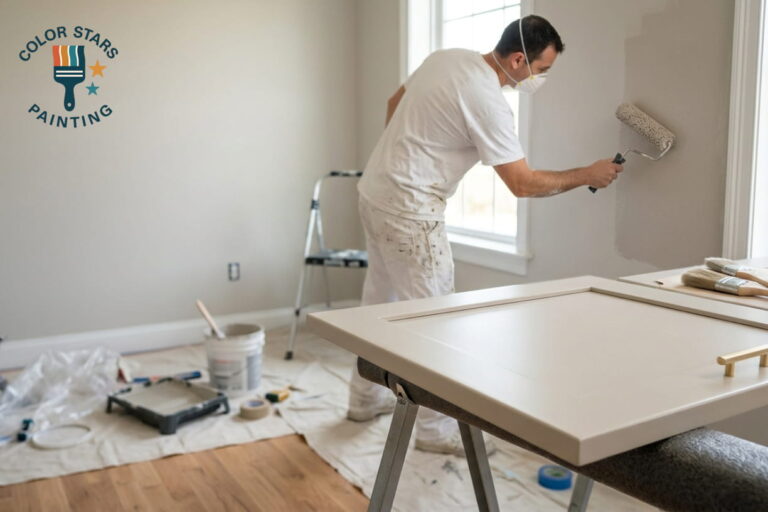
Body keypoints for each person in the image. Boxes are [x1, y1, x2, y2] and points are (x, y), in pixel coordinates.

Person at [347, 15, 623, 455]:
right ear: (518, 60)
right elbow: (523, 183)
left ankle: (364, 401)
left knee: (379, 304)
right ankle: (435, 433)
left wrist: (408, 154)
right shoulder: (488, 99)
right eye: (543, 69)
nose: (543, 77)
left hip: (375, 191)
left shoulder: (447, 58)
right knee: (434, 327)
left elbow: (393, 102)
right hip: (411, 214)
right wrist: (586, 173)